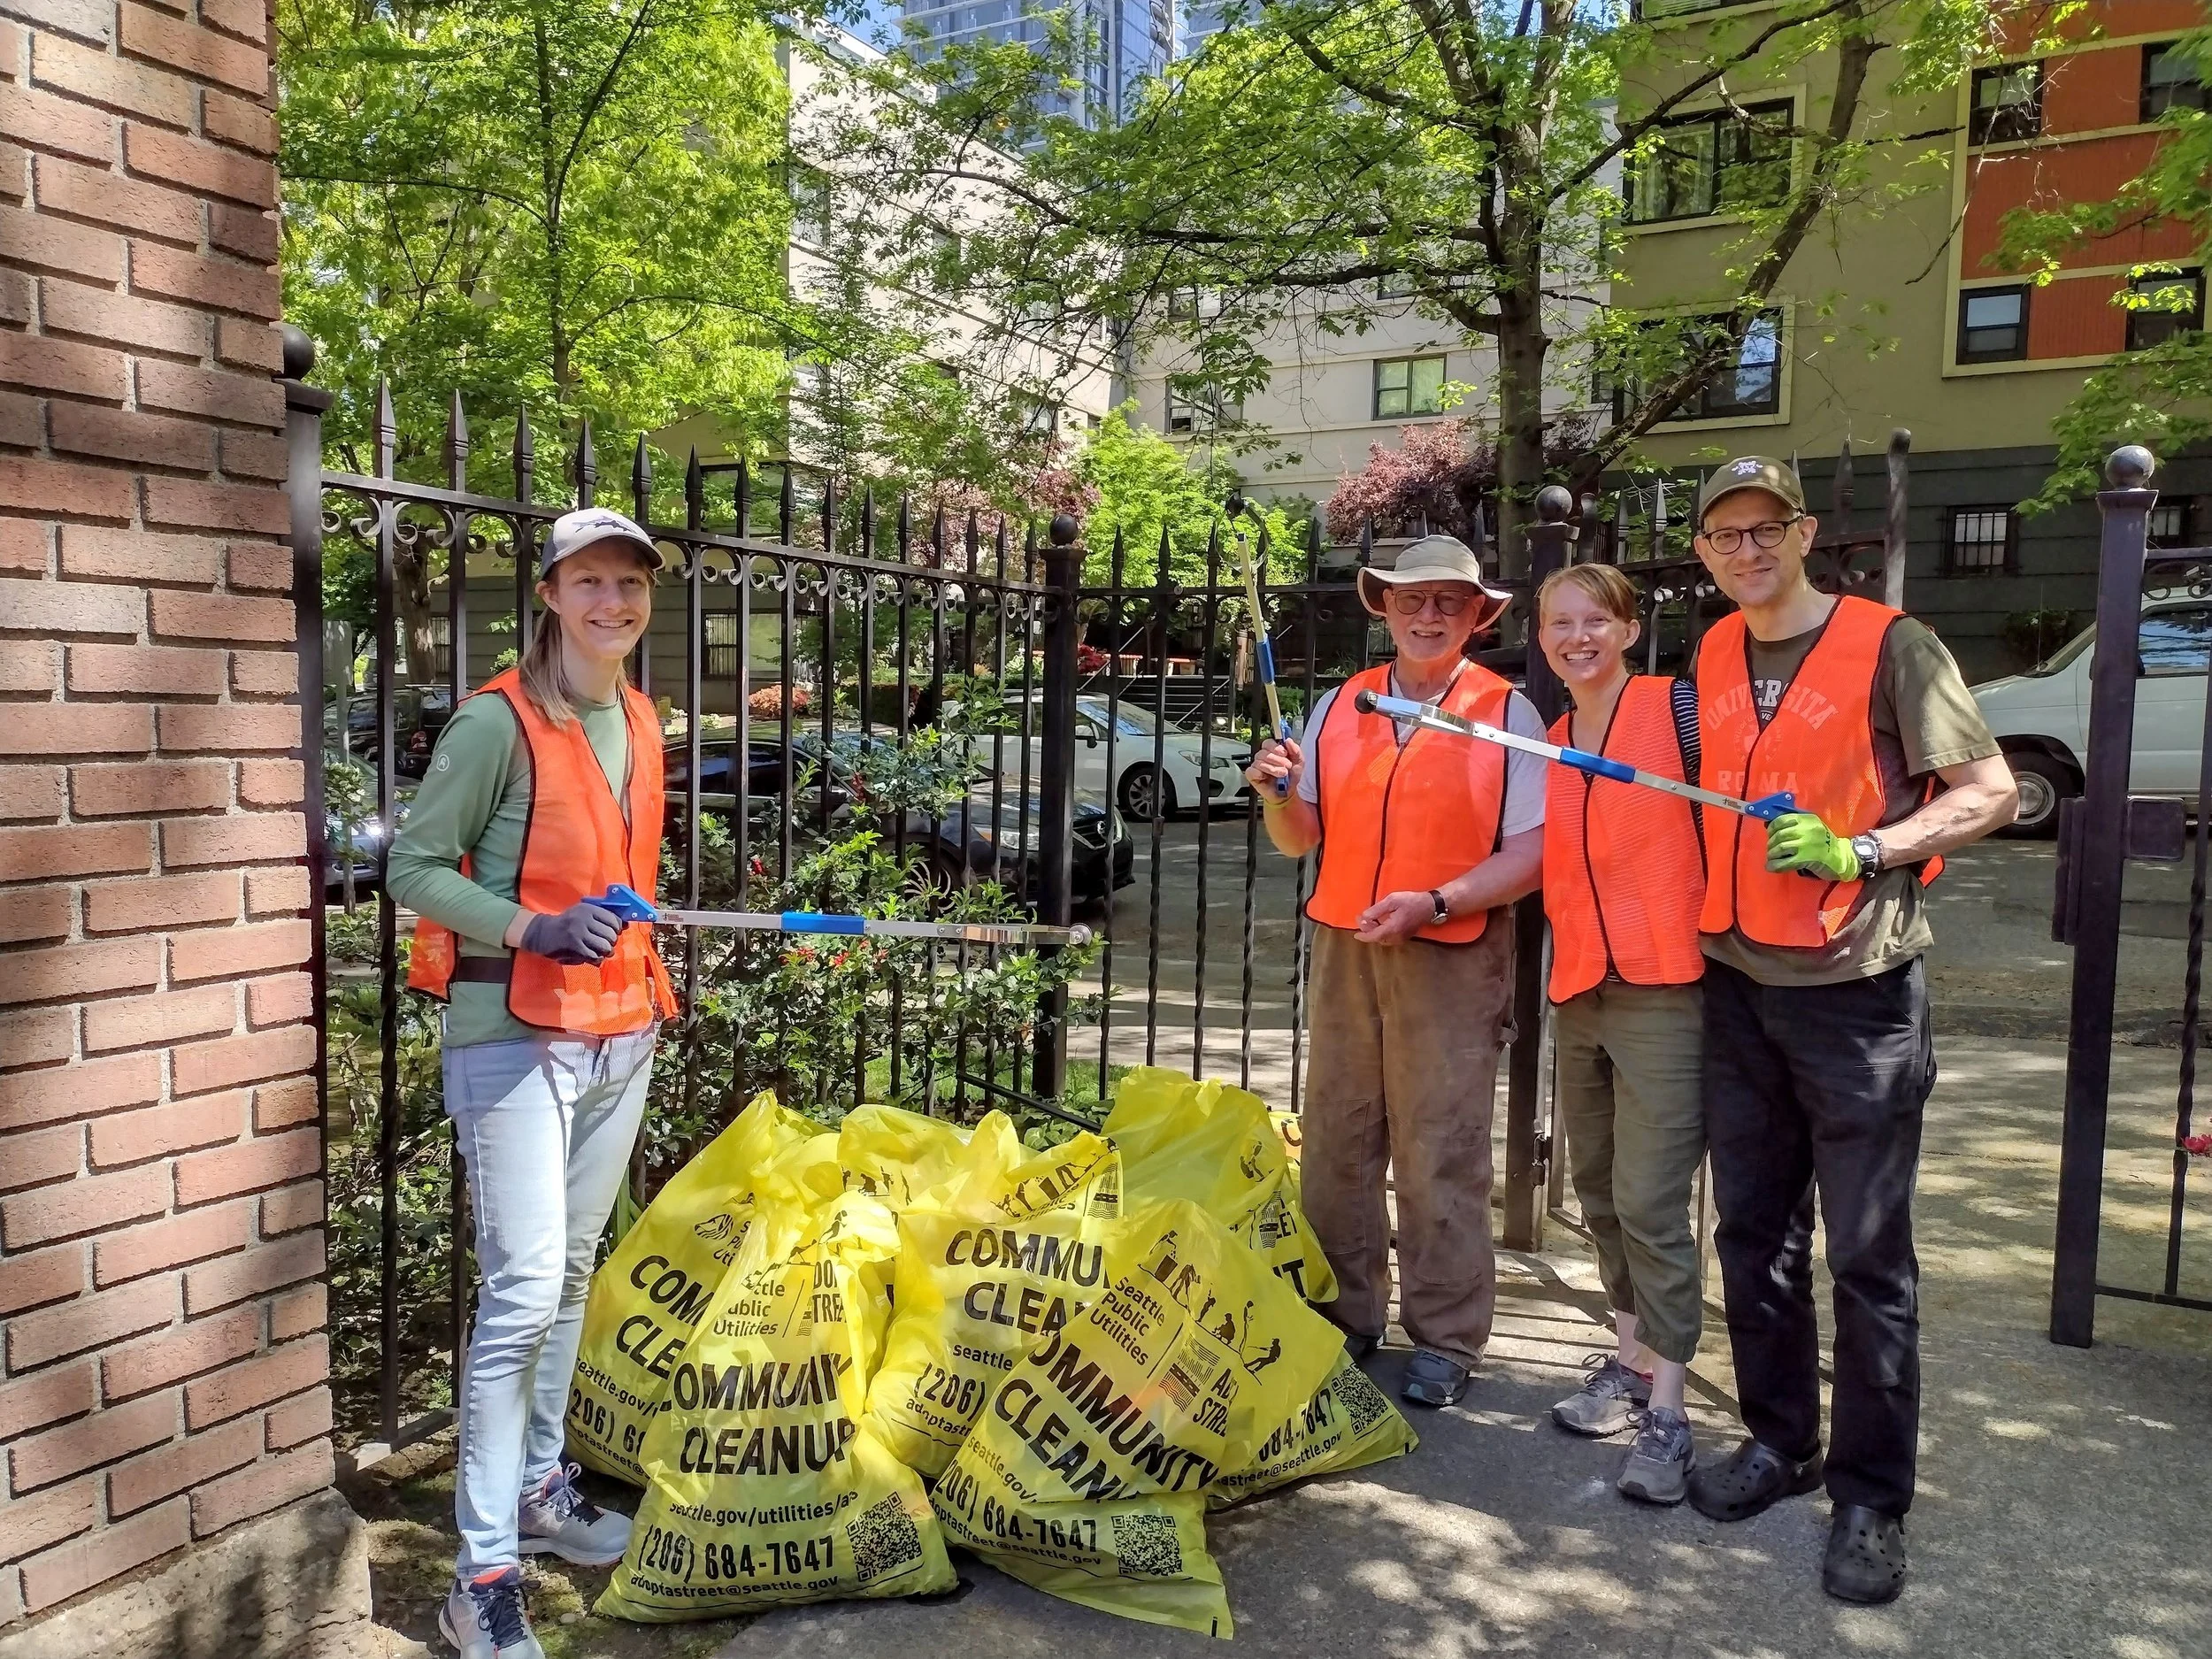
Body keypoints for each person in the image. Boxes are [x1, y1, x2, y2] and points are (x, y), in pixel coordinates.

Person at [1682, 458, 2016, 1604]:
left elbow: (1992, 789)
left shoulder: (1891, 642)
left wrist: (1863, 848)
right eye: (1724, 534)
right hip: (1736, 976)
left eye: (1764, 527)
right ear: (1705, 552)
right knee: (1753, 1231)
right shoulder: (1716, 649)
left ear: (1804, 531)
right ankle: (1785, 1440)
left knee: (1869, 1256)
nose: (1746, 548)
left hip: (1856, 989)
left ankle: (1872, 1497)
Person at [388, 507, 680, 1659]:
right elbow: (410, 866)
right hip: (511, 1035)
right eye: (591, 581)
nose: (614, 601)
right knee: (517, 1294)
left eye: (632, 582)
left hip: (621, 1034)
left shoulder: (645, 716)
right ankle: (481, 1575)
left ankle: (539, 1493)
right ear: (550, 593)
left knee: (565, 1274)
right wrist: (529, 922)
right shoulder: (491, 723)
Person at [1243, 534, 1544, 1409]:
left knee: (1438, 1143)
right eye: (1412, 599)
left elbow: (1532, 852)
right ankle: (1345, 1314)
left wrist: (1439, 901)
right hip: (1345, 945)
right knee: (1338, 1137)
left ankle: (1447, 1336)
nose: (1427, 614)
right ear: (1385, 607)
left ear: (1476, 617)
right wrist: (1272, 792)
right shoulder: (1341, 705)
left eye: (1448, 601)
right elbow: (1298, 836)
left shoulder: (1505, 712)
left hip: (1450, 950)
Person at [1534, 564, 1709, 1505]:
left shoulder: (1675, 713)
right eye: (1560, 622)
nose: (1577, 636)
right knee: (1597, 1191)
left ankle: (1673, 1412)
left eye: (1594, 619)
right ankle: (1630, 1362)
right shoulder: (1555, 738)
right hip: (1581, 989)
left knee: (1650, 1204)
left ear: (1628, 629)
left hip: (1666, 989)